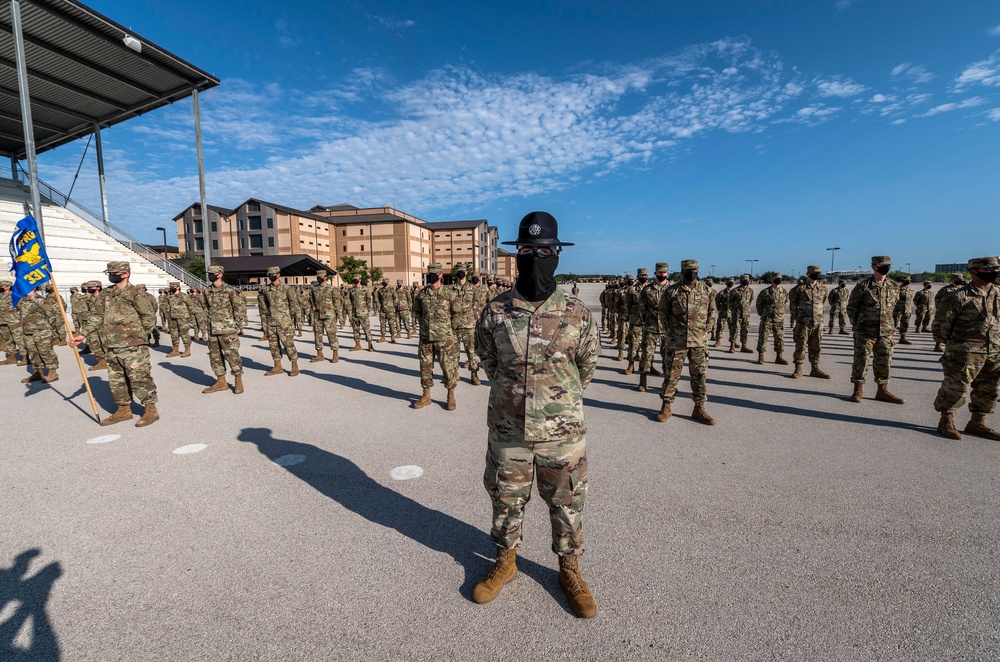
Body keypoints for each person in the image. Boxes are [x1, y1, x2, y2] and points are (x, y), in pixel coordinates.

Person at [473, 211, 599, 619]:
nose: (535, 257)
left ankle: (569, 569)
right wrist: (516, 395)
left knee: (567, 503)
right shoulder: (496, 311)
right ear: (517, 254)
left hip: (562, 433)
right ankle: (505, 562)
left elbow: (586, 368)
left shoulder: (578, 312)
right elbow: (489, 361)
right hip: (509, 430)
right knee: (505, 499)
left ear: (556, 253)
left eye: (543, 250)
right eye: (527, 250)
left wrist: (552, 399)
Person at [70, 262, 159, 427]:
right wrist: (83, 335)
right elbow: (96, 316)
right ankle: (123, 410)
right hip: (111, 345)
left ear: (125, 274)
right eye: (110, 273)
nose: (111, 275)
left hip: (134, 346)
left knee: (139, 378)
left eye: (114, 272)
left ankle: (150, 409)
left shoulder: (136, 294)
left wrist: (139, 337)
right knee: (116, 380)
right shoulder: (106, 294)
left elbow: (148, 317)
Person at [932, 257, 999, 440]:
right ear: (974, 271)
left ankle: (977, 422)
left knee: (989, 388)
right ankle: (946, 420)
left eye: (996, 268)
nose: (994, 272)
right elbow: (940, 326)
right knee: (955, 387)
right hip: (964, 353)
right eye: (990, 269)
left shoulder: (998, 294)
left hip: (994, 351)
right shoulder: (957, 297)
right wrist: (956, 347)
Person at [656, 259, 717, 425]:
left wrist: (706, 331)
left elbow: (712, 312)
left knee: (699, 376)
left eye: (695, 270)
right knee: (671, 376)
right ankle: (666, 406)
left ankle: (699, 408)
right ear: (682, 272)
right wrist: (672, 332)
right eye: (688, 270)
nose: (692, 273)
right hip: (677, 342)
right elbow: (663, 314)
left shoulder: (707, 291)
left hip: (699, 342)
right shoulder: (671, 292)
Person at [846, 256, 904, 404]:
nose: (887, 267)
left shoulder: (893, 286)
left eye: (888, 265)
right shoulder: (863, 286)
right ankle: (858, 389)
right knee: (861, 361)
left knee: (884, 361)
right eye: (883, 265)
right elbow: (851, 308)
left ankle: (882, 390)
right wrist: (858, 326)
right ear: (874, 267)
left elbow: (896, 308)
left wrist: (892, 326)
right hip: (865, 332)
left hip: (886, 332)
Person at [412, 263, 459, 409]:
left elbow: (456, 314)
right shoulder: (421, 294)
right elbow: (417, 312)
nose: (430, 276)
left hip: (444, 338)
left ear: (440, 275)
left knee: (447, 367)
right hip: (426, 338)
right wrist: (425, 326)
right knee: (425, 367)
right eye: (428, 273)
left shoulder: (449, 294)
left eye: (433, 273)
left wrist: (448, 330)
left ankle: (450, 395)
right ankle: (426, 395)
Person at [202, 265, 248, 394]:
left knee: (232, 356)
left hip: (228, 330)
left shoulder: (230, 290)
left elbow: (239, 309)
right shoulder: (207, 291)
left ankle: (238, 380)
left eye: (213, 273)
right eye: (209, 273)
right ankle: (221, 381)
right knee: (215, 357)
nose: (210, 275)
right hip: (213, 330)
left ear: (220, 274)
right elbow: (206, 308)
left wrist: (235, 326)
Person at [258, 266, 300, 376]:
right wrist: (266, 323)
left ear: (278, 274)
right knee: (273, 346)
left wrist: (290, 320)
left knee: (288, 345)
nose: (271, 276)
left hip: (285, 323)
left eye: (273, 274)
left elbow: (293, 305)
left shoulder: (287, 288)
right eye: (269, 274)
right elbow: (264, 307)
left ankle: (294, 366)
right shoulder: (266, 290)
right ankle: (277, 366)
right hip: (271, 322)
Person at [788, 266, 828, 378]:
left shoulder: (823, 288)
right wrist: (797, 320)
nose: (816, 275)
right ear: (808, 274)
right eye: (814, 273)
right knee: (800, 346)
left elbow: (822, 302)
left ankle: (815, 368)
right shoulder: (799, 289)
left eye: (818, 273)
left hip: (817, 323)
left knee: (816, 346)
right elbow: (793, 306)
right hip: (803, 323)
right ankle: (798, 369)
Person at [17, 287, 59, 383]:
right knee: (33, 352)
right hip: (28, 332)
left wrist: (47, 328)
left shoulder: (40, 300)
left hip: (41, 332)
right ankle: (38, 372)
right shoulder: (23, 300)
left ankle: (53, 373)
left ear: (34, 287)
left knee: (45, 352)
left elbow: (51, 315)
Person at [637, 263, 669, 392]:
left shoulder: (672, 290)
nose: (662, 275)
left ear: (667, 273)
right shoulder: (647, 290)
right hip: (650, 327)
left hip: (666, 329)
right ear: (655, 273)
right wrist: (647, 321)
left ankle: (668, 384)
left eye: (664, 273)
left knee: (668, 357)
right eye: (660, 273)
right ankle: (643, 381)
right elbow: (642, 308)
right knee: (647, 354)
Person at [450, 263, 481, 385]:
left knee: (471, 352)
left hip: (469, 325)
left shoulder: (473, 288)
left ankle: (474, 374)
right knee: (454, 352)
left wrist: (473, 317)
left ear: (466, 273)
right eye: (458, 271)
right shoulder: (450, 288)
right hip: (455, 325)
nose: (461, 273)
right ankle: (455, 372)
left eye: (463, 271)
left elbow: (477, 303)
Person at [755, 273, 788, 365]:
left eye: (780, 278)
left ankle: (779, 356)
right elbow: (759, 304)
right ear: (772, 279)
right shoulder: (765, 292)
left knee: (779, 338)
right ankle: (761, 357)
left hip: (779, 319)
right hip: (767, 319)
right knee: (763, 338)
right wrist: (763, 314)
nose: (779, 279)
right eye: (776, 278)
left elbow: (785, 302)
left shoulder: (784, 292)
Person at [309, 270, 341, 363]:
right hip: (317, 315)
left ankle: (335, 353)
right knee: (318, 335)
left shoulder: (331, 289)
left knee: (331, 335)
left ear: (325, 277)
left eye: (321, 276)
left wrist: (335, 315)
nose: (319, 278)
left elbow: (337, 302)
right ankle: (319, 354)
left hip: (329, 316)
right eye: (318, 276)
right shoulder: (314, 289)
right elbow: (312, 302)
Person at [623, 268, 647, 375]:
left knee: (648, 346)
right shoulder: (632, 290)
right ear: (638, 277)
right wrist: (628, 318)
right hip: (635, 320)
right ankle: (631, 365)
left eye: (645, 275)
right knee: (633, 343)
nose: (643, 277)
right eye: (641, 276)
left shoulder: (651, 289)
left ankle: (648, 366)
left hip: (649, 321)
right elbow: (627, 305)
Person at [933, 273, 965, 352]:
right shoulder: (945, 289)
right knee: (943, 329)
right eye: (956, 280)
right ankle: (938, 345)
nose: (958, 282)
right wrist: (941, 309)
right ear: (952, 280)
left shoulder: (963, 289)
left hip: (958, 312)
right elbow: (937, 299)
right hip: (946, 313)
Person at [0, 279, 27, 365]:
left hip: (14, 321)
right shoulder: (0, 296)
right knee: (7, 340)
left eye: (2, 286)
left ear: (8, 287)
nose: (0, 288)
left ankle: (25, 358)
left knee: (19, 339)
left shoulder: (15, 296)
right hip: (2, 321)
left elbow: (22, 308)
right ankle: (11, 357)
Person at [164, 281, 194, 358]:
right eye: (171, 287)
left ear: (178, 287)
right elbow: (168, 307)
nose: (171, 288)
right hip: (172, 318)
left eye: (173, 287)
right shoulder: (170, 297)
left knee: (184, 334)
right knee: (174, 335)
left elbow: (190, 306)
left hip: (182, 318)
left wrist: (187, 316)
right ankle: (175, 350)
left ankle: (187, 350)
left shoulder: (184, 296)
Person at [346, 275, 374, 351]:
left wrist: (366, 310)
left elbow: (368, 301)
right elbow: (349, 301)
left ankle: (370, 344)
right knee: (355, 330)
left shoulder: (365, 289)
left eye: (356, 279)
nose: (355, 281)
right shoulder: (351, 290)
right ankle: (357, 345)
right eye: (354, 279)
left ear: (360, 280)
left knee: (366, 329)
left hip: (363, 313)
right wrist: (350, 312)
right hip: (354, 313)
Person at [728, 275, 754, 353]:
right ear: (740, 281)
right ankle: (732, 345)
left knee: (745, 330)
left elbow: (750, 301)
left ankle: (744, 346)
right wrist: (734, 310)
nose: (746, 281)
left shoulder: (750, 291)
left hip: (746, 314)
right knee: (734, 329)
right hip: (736, 314)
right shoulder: (735, 291)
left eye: (747, 280)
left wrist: (746, 309)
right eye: (744, 280)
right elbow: (730, 302)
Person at [713, 280, 732, 347]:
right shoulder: (722, 293)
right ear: (726, 283)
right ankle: (718, 341)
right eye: (729, 282)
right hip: (723, 313)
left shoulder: (734, 292)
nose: (731, 283)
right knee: (720, 327)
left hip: (732, 313)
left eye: (732, 282)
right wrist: (720, 309)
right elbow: (717, 301)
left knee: (733, 328)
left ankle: (733, 342)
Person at [894, 278, 914, 345]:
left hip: (907, 309)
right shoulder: (897, 289)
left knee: (905, 324)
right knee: (894, 324)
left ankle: (902, 338)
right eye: (906, 280)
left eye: (909, 281)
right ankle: (891, 338)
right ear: (902, 281)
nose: (908, 282)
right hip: (898, 309)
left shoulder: (910, 289)